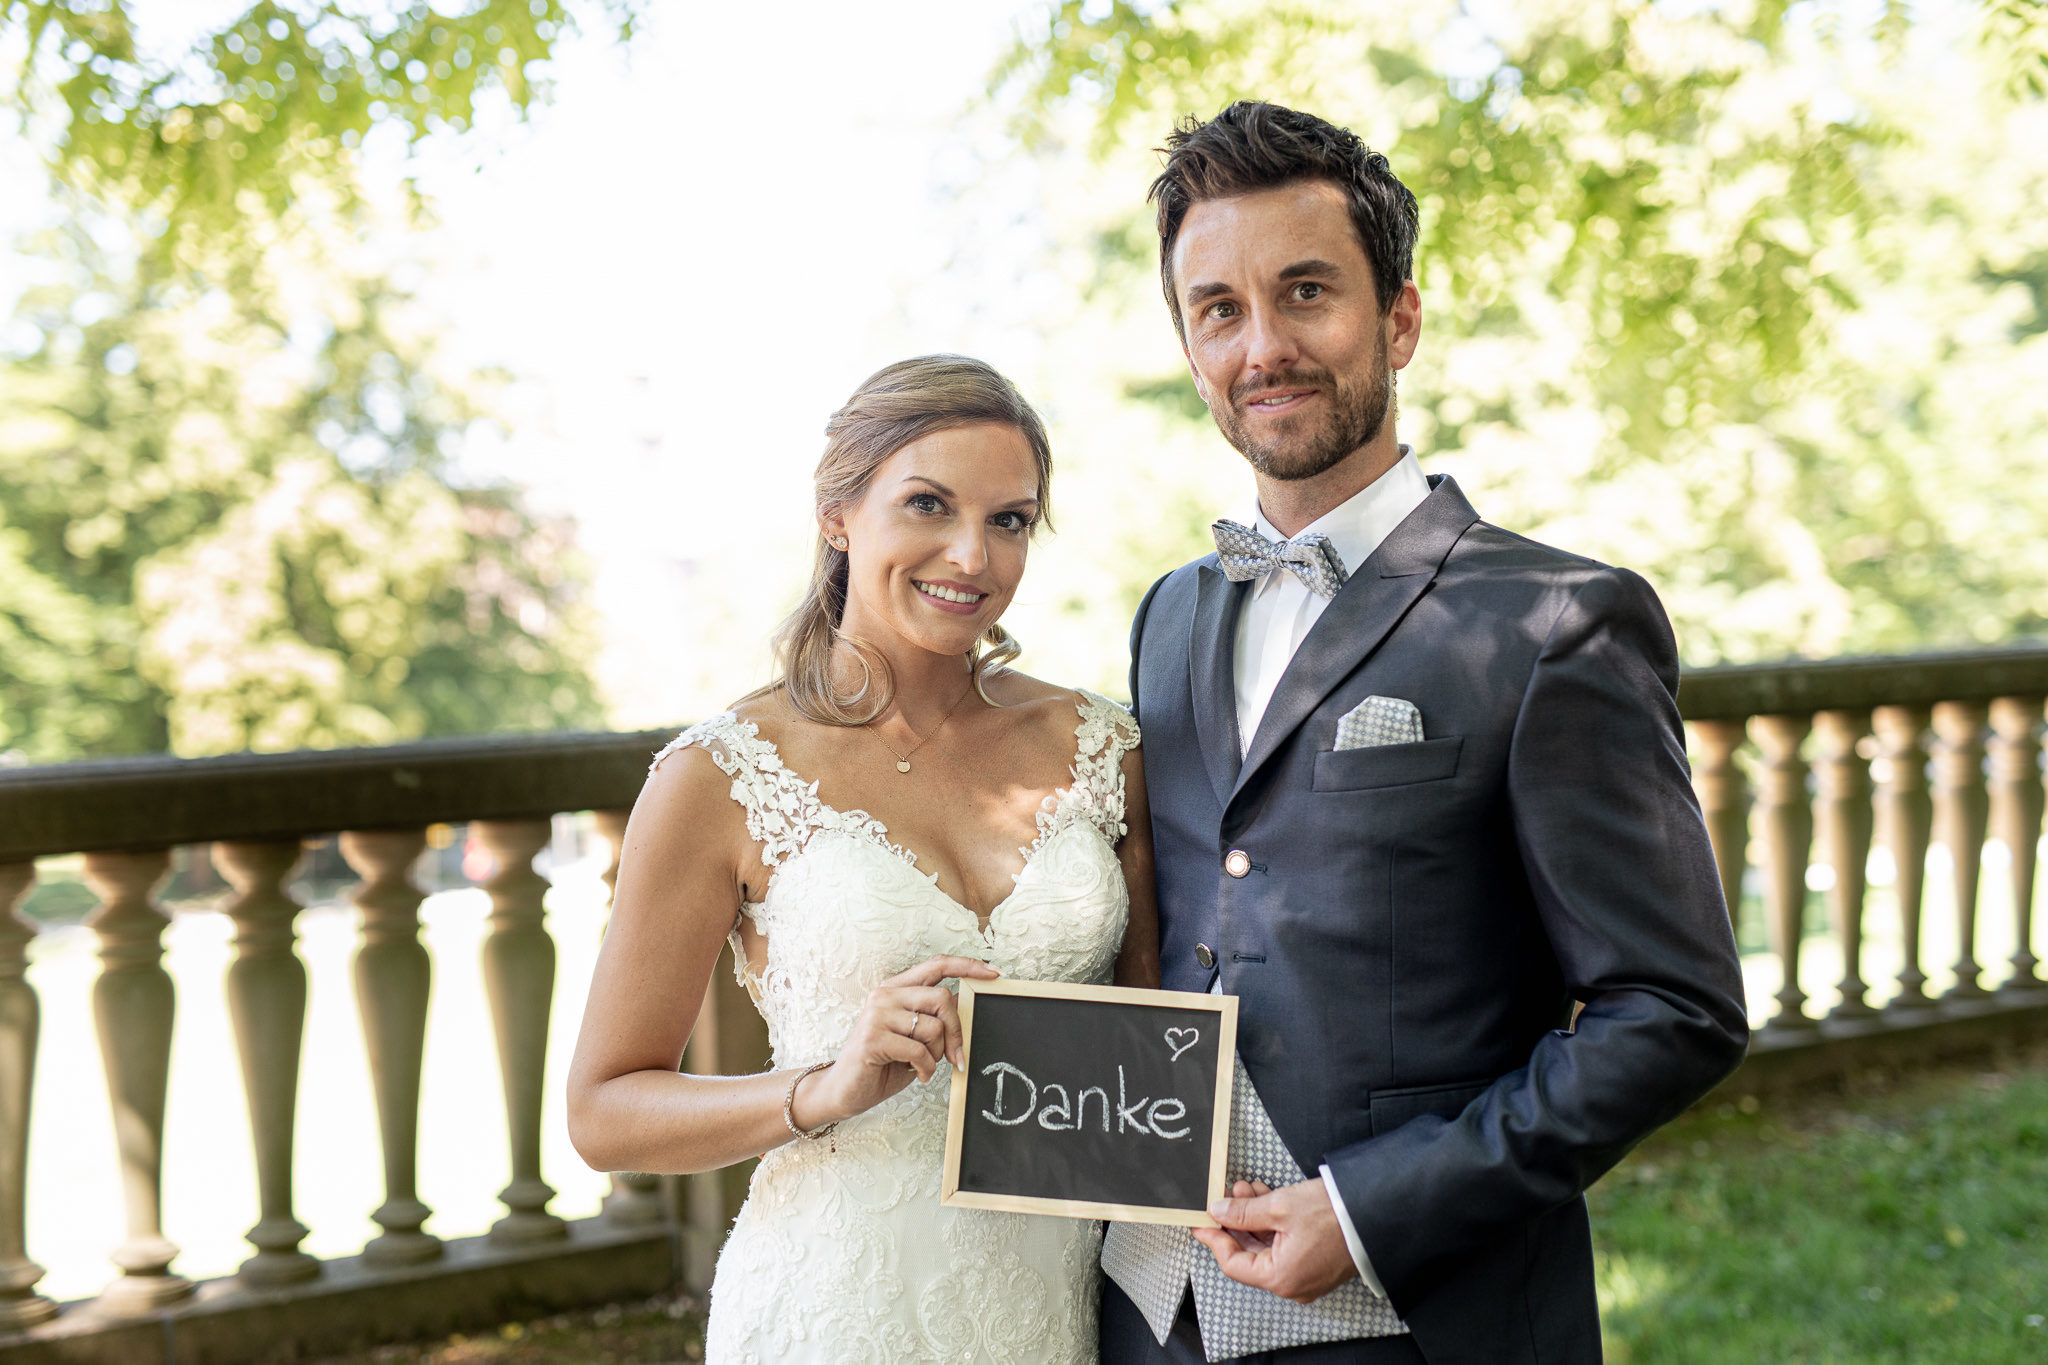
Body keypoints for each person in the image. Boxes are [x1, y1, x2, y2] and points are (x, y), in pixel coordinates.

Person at [1100, 101, 1750, 1363]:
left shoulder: (1556, 620)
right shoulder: (1168, 616)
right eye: (1218, 310)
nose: (1262, 346)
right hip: (1146, 1312)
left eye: (1305, 293)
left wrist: (1366, 1211)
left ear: (1398, 319)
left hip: (1423, 1318)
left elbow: (1672, 1008)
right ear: (1188, 346)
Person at [566, 354, 1158, 1363]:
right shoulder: (719, 775)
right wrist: (823, 1087)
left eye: (1010, 520)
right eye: (928, 504)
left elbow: (1152, 1057)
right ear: (837, 513)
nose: (972, 555)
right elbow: (602, 1112)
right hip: (831, 1307)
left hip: (1049, 1312)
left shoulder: (1101, 746)